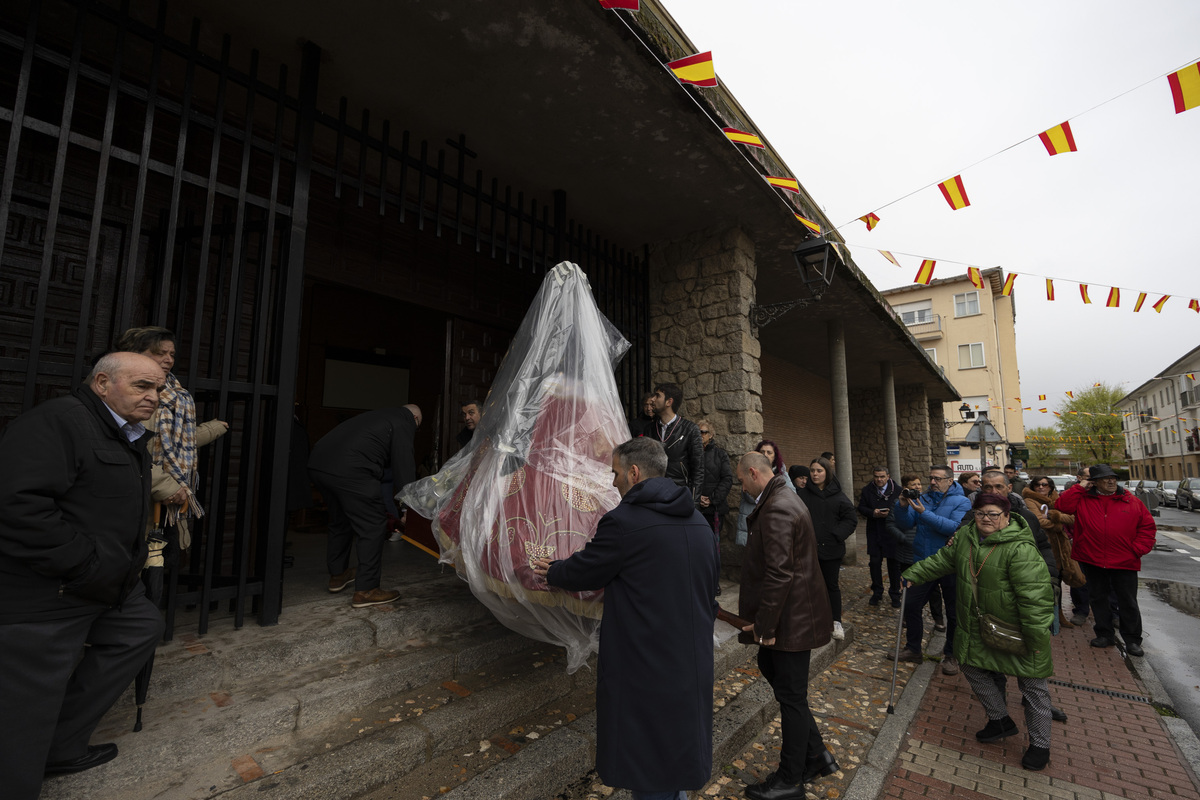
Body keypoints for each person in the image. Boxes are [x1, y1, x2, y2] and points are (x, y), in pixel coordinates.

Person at [0, 352, 166, 798]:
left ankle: (61, 745)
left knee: (141, 628)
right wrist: (86, 564)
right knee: (25, 703)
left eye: (158, 389)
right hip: (50, 588)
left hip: (105, 585)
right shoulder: (59, 422)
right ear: (102, 383)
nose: (153, 397)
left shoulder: (126, 433)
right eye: (142, 386)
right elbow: (18, 507)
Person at [531, 438, 719, 800]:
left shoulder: (624, 521)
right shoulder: (698, 522)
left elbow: (588, 569)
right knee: (673, 753)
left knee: (648, 760)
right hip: (690, 658)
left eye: (615, 472)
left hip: (646, 661)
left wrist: (552, 571)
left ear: (634, 472)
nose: (612, 481)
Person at [903, 493, 1056, 772]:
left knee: (1033, 688)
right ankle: (1000, 720)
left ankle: (1040, 745)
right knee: (971, 666)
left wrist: (1036, 637)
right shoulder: (965, 537)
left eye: (993, 514)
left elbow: (1036, 598)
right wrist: (914, 573)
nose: (986, 519)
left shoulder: (1020, 549)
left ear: (1007, 517)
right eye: (981, 513)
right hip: (979, 626)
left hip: (1018, 629)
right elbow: (942, 561)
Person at [737, 451, 838, 800]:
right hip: (794, 616)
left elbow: (780, 572)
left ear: (753, 473)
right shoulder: (782, 497)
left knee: (792, 699)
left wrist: (764, 625)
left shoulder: (779, 505)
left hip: (791, 621)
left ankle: (789, 780)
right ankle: (818, 755)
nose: (742, 488)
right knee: (773, 672)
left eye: (741, 480)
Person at [115, 326, 230, 553]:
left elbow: (178, 440)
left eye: (172, 354)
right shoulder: (122, 390)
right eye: (160, 353)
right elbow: (124, 446)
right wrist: (164, 485)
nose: (168, 359)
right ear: (134, 353)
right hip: (133, 495)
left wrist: (214, 428)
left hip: (165, 499)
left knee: (157, 565)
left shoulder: (176, 392)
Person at [308, 404, 422, 608]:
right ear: (414, 418)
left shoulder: (378, 415)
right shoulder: (404, 420)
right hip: (352, 470)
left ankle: (338, 575)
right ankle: (367, 590)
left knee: (339, 520)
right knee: (373, 525)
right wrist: (408, 509)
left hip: (319, 465)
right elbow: (403, 463)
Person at [1055, 464, 1156, 657]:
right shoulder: (1083, 499)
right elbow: (1062, 506)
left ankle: (1133, 640)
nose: (1110, 481)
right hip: (1092, 559)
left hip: (1124, 561)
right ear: (1094, 483)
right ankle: (1104, 634)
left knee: (1128, 602)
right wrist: (1080, 486)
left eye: (1113, 477)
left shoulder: (1130, 501)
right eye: (1104, 478)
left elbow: (1147, 528)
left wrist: (1137, 550)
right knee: (1098, 599)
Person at [889, 465, 971, 675]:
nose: (932, 482)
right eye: (931, 478)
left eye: (937, 479)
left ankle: (951, 654)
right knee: (911, 603)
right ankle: (913, 648)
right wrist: (901, 506)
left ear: (950, 481)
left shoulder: (962, 501)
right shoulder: (924, 498)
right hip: (924, 562)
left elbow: (952, 528)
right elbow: (906, 523)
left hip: (949, 563)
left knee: (953, 611)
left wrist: (923, 513)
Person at [799, 457, 857, 641]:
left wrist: (836, 534)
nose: (815, 474)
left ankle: (835, 621)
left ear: (827, 473)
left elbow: (851, 519)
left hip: (831, 549)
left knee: (831, 586)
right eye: (812, 470)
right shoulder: (803, 494)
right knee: (809, 586)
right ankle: (811, 620)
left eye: (819, 471)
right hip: (808, 549)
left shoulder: (838, 495)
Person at [1023, 476, 1086, 630]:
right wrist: (1058, 523)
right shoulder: (1030, 500)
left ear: (1050, 486)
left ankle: (1058, 615)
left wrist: (1053, 516)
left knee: (1059, 579)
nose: (1041, 487)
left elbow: (1073, 518)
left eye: (1045, 484)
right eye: (1037, 485)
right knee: (1045, 580)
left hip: (1061, 545)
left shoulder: (1058, 499)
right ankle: (1044, 616)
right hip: (1044, 544)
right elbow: (1038, 521)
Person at [647, 382, 704, 499]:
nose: (652, 399)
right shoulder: (649, 429)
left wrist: (694, 502)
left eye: (657, 396)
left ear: (669, 402)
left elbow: (698, 470)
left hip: (678, 495)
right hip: (654, 495)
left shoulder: (690, 429)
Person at [858, 465, 902, 608]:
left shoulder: (898, 490)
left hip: (892, 532)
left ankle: (895, 594)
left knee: (894, 565)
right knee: (875, 563)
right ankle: (877, 592)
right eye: (876, 476)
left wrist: (892, 513)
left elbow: (904, 509)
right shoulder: (867, 490)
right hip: (874, 531)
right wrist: (873, 512)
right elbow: (861, 508)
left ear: (888, 476)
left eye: (882, 476)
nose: (879, 479)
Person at [697, 420, 733, 537]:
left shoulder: (720, 455)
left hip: (714, 509)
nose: (700, 435)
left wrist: (712, 499)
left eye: (703, 432)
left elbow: (727, 479)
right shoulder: (690, 453)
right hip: (695, 508)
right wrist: (697, 497)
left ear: (711, 435)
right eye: (697, 432)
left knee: (712, 545)